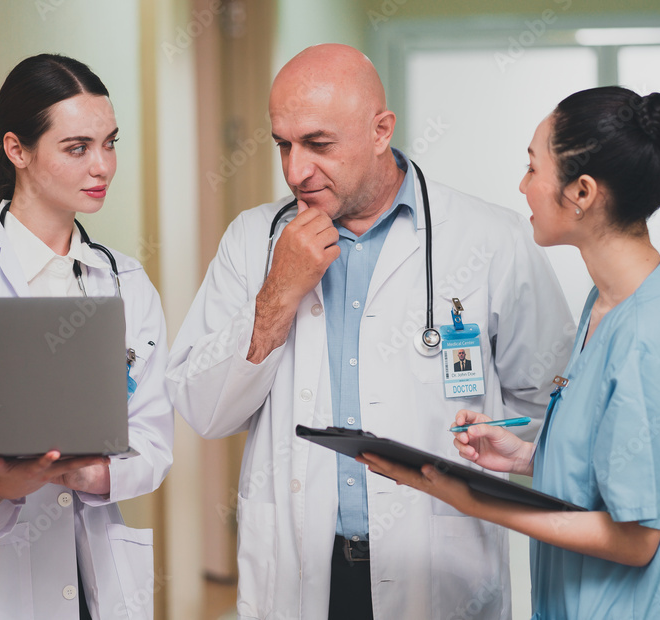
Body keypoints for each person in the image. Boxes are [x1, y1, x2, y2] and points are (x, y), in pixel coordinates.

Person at [166, 44, 572, 620]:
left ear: (381, 130)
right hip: (299, 571)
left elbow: (556, 411)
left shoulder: (491, 240)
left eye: (318, 144)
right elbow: (205, 410)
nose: (294, 170)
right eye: (283, 143)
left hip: (435, 572)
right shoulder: (252, 240)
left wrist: (490, 441)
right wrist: (279, 293)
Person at [359, 86, 660, 619]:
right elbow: (624, 469)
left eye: (533, 168)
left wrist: (477, 501)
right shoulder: (608, 303)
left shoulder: (645, 334)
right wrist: (526, 458)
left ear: (581, 192)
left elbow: (636, 537)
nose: (523, 186)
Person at [0, 54, 174, 620]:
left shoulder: (124, 282)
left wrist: (94, 473)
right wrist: (0, 486)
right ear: (17, 149)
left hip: (85, 570)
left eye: (110, 142)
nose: (103, 167)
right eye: (77, 147)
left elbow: (154, 436)